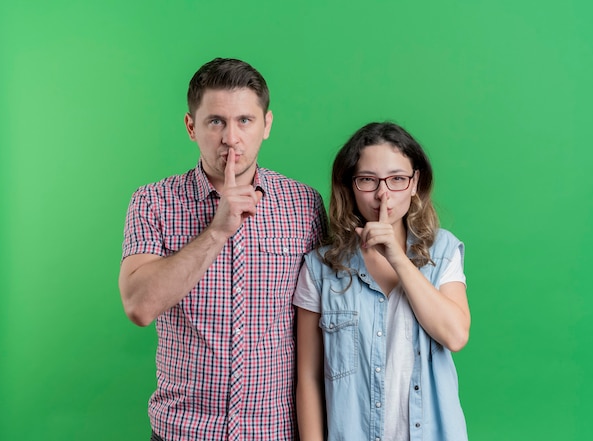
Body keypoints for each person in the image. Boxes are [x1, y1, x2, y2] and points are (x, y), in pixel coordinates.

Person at [119, 58, 328, 441]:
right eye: (216, 121)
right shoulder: (153, 202)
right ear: (190, 126)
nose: (230, 137)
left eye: (244, 121)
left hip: (275, 431)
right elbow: (139, 305)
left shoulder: (305, 205)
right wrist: (218, 230)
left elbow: (321, 322)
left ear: (266, 125)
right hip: (182, 431)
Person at [294, 122, 470, 441]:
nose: (383, 194)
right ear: (350, 185)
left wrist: (397, 257)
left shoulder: (443, 251)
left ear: (415, 183)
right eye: (367, 180)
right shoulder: (320, 268)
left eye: (397, 179)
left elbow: (455, 335)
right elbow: (308, 378)